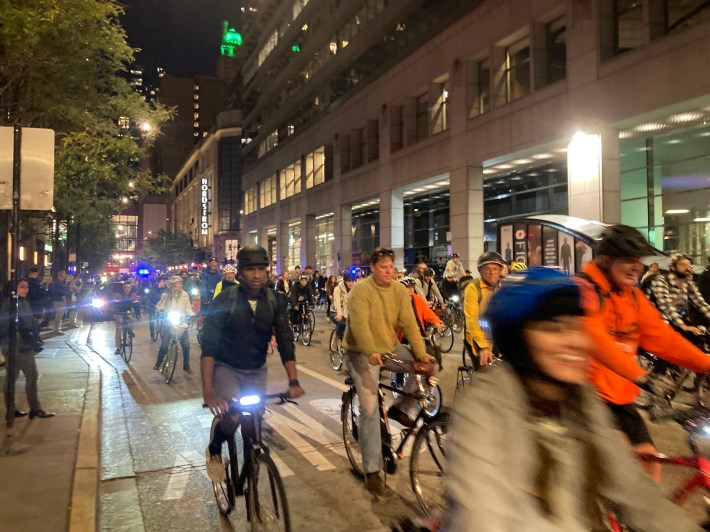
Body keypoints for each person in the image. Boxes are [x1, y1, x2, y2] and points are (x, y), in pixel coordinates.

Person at [444, 267, 700, 532]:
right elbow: (482, 516)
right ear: (520, 339)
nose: (575, 342)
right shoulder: (484, 406)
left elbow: (635, 492)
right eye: (554, 329)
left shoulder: (582, 400)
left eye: (579, 328)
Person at [576, 225, 710, 481]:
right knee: (613, 468)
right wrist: (641, 377)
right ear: (605, 260)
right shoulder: (583, 289)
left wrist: (705, 363)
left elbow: (662, 339)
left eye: (638, 261)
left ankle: (634, 521)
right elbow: (594, 338)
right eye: (628, 260)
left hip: (620, 398)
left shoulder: (633, 297)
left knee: (649, 462)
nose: (637, 267)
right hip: (585, 397)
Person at [202, 245, 304, 481]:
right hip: (226, 367)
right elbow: (209, 348)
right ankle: (215, 447)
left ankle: (252, 469)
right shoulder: (224, 300)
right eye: (250, 269)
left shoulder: (275, 300)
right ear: (239, 273)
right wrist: (209, 393)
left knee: (254, 423)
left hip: (256, 370)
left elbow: (286, 340)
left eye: (261, 269)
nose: (257, 275)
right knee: (234, 416)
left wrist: (294, 381)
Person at [343, 247, 436, 495]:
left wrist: (422, 353)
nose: (388, 271)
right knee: (370, 408)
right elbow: (359, 326)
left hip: (389, 348)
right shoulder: (361, 290)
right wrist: (370, 350)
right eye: (383, 267)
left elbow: (410, 324)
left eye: (391, 267)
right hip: (361, 352)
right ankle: (371, 471)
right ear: (372, 268)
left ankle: (402, 407)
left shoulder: (398, 290)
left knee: (429, 366)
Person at [389, 276, 443, 427]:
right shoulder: (394, 303)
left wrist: (437, 322)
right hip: (400, 340)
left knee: (431, 365)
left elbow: (427, 313)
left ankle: (406, 405)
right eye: (407, 288)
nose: (410, 291)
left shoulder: (417, 299)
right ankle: (401, 405)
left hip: (416, 338)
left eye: (411, 288)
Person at [0, 279, 54, 419]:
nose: (26, 289)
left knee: (12, 378)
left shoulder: (18, 303)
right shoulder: (13, 304)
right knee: (31, 376)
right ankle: (34, 408)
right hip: (19, 344)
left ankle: (11, 409)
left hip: (12, 344)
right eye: (22, 287)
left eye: (27, 287)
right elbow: (8, 324)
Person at [646, 252, 710, 338]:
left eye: (689, 266)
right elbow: (666, 305)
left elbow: (701, 304)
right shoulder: (661, 280)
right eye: (683, 265)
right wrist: (683, 326)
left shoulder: (688, 284)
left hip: (675, 320)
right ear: (673, 267)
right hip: (656, 321)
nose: (688, 268)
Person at [463, 252, 505, 368]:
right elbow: (472, 321)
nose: (492, 273)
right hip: (478, 338)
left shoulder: (504, 287)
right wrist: (483, 347)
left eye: (495, 269)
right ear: (480, 270)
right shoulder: (473, 288)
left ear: (500, 270)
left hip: (497, 337)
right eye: (487, 269)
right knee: (486, 375)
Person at [154, 276, 194, 373]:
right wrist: (161, 310)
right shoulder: (166, 295)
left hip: (181, 322)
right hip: (169, 322)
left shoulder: (185, 295)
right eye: (177, 283)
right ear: (172, 285)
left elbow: (188, 308)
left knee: (186, 345)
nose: (179, 285)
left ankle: (186, 365)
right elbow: (159, 306)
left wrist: (191, 314)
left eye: (180, 283)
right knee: (164, 345)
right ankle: (158, 363)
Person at [111, 281, 139, 356]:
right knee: (119, 328)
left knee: (132, 319)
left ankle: (130, 331)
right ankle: (118, 348)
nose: (127, 289)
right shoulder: (118, 295)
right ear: (123, 288)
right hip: (119, 311)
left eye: (129, 288)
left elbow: (136, 305)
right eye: (126, 288)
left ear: (131, 288)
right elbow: (114, 305)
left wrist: (137, 313)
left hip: (128, 311)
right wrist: (115, 313)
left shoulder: (133, 295)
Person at [331, 270, 355, 348]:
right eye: (349, 281)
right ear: (344, 281)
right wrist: (339, 313)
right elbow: (337, 302)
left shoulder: (355, 289)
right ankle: (336, 338)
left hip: (348, 313)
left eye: (352, 281)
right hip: (335, 312)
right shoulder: (337, 289)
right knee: (342, 324)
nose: (351, 283)